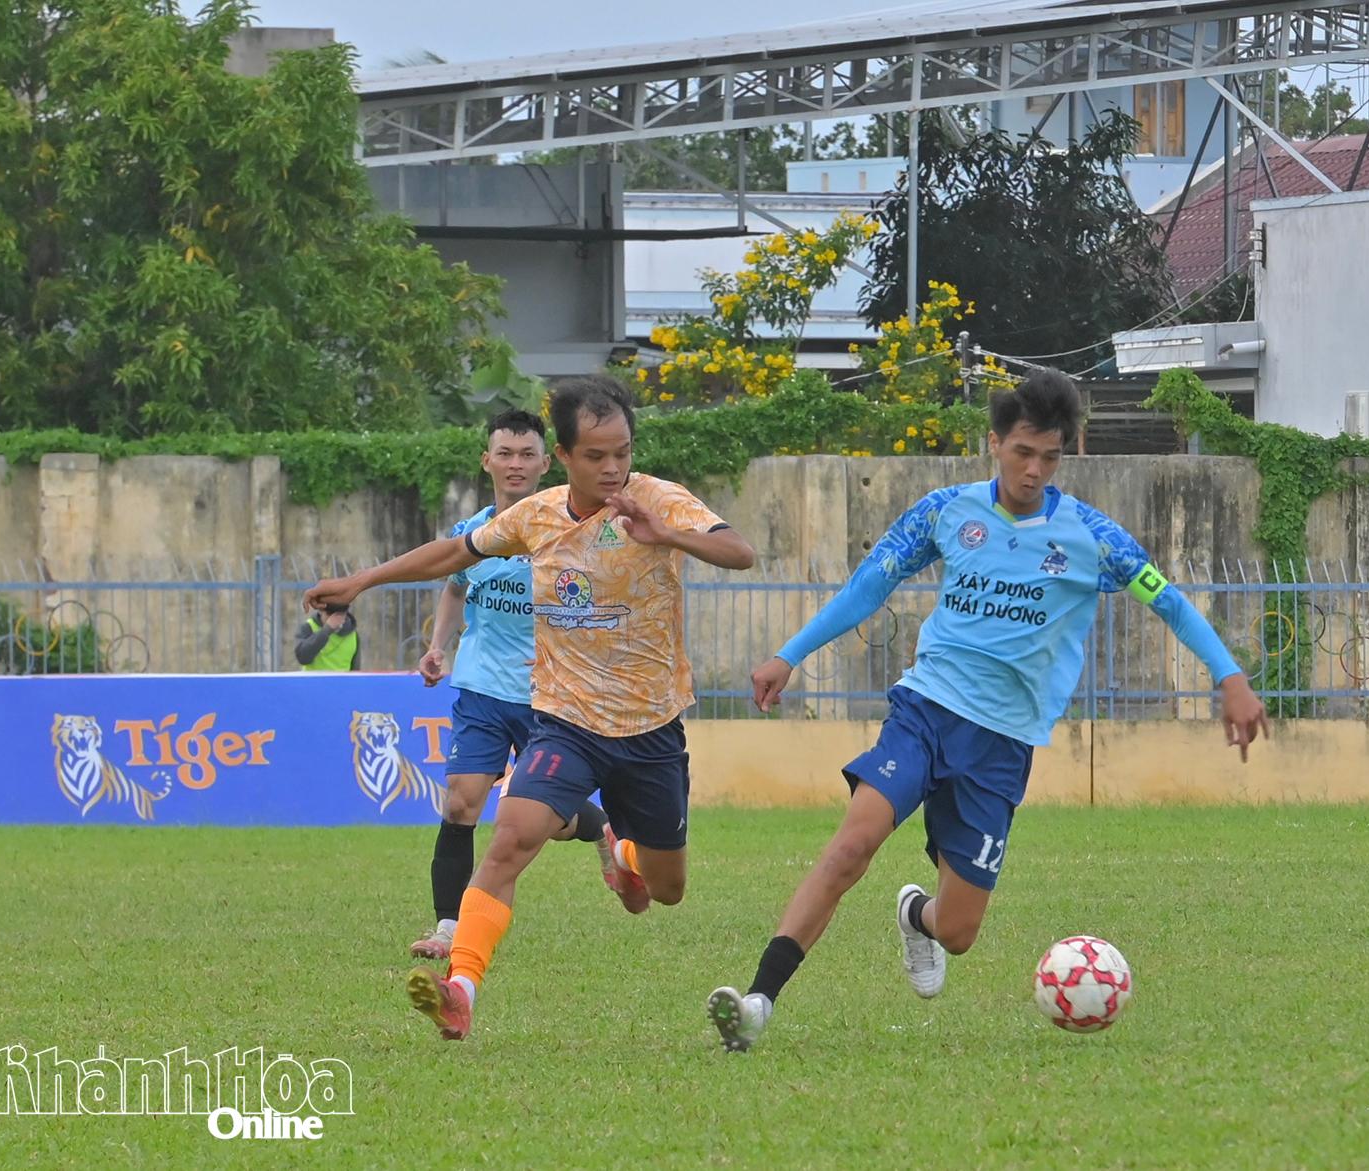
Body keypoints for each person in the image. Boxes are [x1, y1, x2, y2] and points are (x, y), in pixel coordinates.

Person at [706, 368, 1269, 1053]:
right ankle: (759, 1000)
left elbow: (1171, 602)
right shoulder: (947, 511)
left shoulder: (1093, 537)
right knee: (853, 842)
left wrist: (1230, 675)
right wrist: (788, 654)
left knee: (959, 931)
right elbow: (867, 587)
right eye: (1022, 452)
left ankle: (917, 914)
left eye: (1050, 457)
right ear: (995, 443)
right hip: (926, 709)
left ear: (1068, 454)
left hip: (1001, 745)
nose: (1034, 470)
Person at [304, 375, 755, 1040]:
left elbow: (739, 551)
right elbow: (456, 553)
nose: (613, 468)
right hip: (565, 721)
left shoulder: (657, 499)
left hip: (651, 728)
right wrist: (364, 580)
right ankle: (461, 987)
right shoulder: (535, 516)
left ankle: (625, 856)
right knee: (509, 839)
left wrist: (667, 533)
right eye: (597, 456)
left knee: (667, 888)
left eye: (622, 453)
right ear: (565, 457)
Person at [410, 408, 609, 961]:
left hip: (549, 696)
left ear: (548, 462)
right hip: (481, 691)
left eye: (527, 455)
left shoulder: (568, 533)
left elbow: (593, 607)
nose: (515, 464)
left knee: (539, 818)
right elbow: (455, 587)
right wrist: (438, 647)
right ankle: (449, 927)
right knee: (460, 804)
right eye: (505, 453)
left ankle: (598, 829)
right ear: (487, 460)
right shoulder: (468, 535)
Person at [295, 603, 361, 671]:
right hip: (314, 681)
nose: (334, 621)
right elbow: (303, 658)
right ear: (320, 611)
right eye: (329, 615)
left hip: (343, 681)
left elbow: (355, 671)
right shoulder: (309, 627)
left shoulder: (352, 634)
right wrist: (327, 630)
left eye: (339, 615)